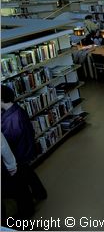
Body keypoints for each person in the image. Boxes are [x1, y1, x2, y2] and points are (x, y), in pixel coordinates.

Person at [1, 85, 47, 218]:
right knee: (28, 173)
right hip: (23, 152)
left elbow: (7, 142)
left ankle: (27, 212)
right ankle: (40, 193)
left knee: (21, 183)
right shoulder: (14, 110)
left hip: (19, 154)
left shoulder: (13, 119)